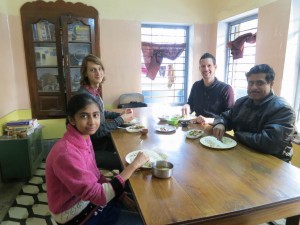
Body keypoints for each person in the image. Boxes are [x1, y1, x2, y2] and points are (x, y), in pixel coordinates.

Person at [46, 93, 149, 225]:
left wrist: (121, 196)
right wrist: (133, 166)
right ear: (72, 120)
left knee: (136, 202)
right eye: (84, 116)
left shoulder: (84, 137)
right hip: (69, 212)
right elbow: (99, 196)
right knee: (141, 221)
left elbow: (95, 175)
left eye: (95, 115)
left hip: (85, 198)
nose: (92, 122)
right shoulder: (66, 153)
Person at [212, 64, 296, 162]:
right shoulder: (241, 102)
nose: (254, 87)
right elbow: (225, 117)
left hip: (272, 164)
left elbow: (268, 143)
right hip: (242, 156)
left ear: (271, 84)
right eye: (250, 83)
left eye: (260, 83)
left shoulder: (283, 110)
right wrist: (220, 123)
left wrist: (238, 134)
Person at [77, 54, 133, 169]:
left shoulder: (92, 91)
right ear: (85, 74)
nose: (98, 73)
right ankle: (121, 185)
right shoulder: (84, 97)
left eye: (100, 68)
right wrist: (121, 119)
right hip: (91, 150)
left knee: (130, 146)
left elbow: (101, 112)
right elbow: (97, 132)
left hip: (101, 142)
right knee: (126, 161)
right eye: (93, 70)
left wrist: (120, 114)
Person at [182, 52, 234, 124]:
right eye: (203, 66)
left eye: (209, 65)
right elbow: (190, 104)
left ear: (215, 67)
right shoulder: (196, 86)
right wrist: (187, 106)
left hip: (216, 128)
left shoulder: (226, 89)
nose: (206, 69)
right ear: (199, 68)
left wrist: (209, 120)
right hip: (196, 129)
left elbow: (230, 117)